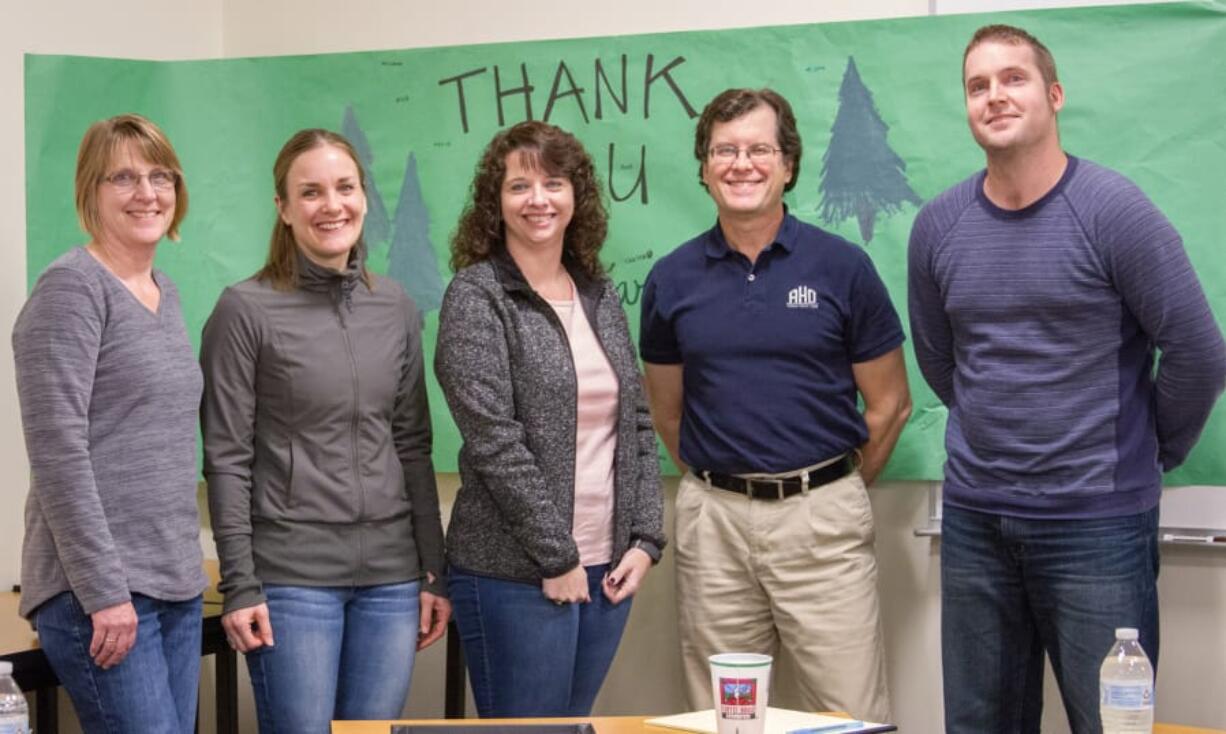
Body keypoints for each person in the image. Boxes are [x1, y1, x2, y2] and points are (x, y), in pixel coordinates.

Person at [907, 24, 1226, 733]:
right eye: (977, 85)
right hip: (975, 521)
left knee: (1112, 726)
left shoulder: (1114, 212)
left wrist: (1148, 452)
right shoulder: (938, 227)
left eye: (1013, 78)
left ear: (1053, 96)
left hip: (1097, 524)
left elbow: (1199, 353)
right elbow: (941, 363)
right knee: (979, 723)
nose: (994, 96)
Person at [640, 88, 910, 723]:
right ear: (704, 167)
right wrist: (725, 486)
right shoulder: (671, 280)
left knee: (847, 714)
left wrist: (827, 491)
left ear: (788, 163)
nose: (742, 164)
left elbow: (891, 404)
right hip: (716, 529)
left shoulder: (843, 267)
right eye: (724, 151)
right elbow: (668, 413)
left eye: (759, 149)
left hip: (824, 525)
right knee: (723, 717)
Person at [200, 129, 449, 734]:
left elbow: (412, 444)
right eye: (310, 192)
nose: (331, 205)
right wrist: (240, 585)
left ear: (365, 197)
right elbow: (226, 459)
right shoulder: (245, 310)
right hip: (291, 579)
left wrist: (433, 570)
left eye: (345, 187)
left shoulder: (395, 307)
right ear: (284, 210)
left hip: (391, 579)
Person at [435, 120, 666, 718]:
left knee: (571, 728)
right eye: (519, 186)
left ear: (575, 197)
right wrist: (556, 556)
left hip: (608, 568)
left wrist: (644, 538)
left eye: (553, 183)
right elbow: (494, 442)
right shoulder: (476, 295)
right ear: (496, 202)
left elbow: (636, 421)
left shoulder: (597, 292)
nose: (538, 199)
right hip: (515, 573)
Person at [13, 113, 206, 733]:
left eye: (160, 176)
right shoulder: (72, 288)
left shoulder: (163, 290)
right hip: (101, 593)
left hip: (173, 583)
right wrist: (103, 593)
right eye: (122, 177)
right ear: (89, 192)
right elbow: (58, 453)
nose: (146, 193)